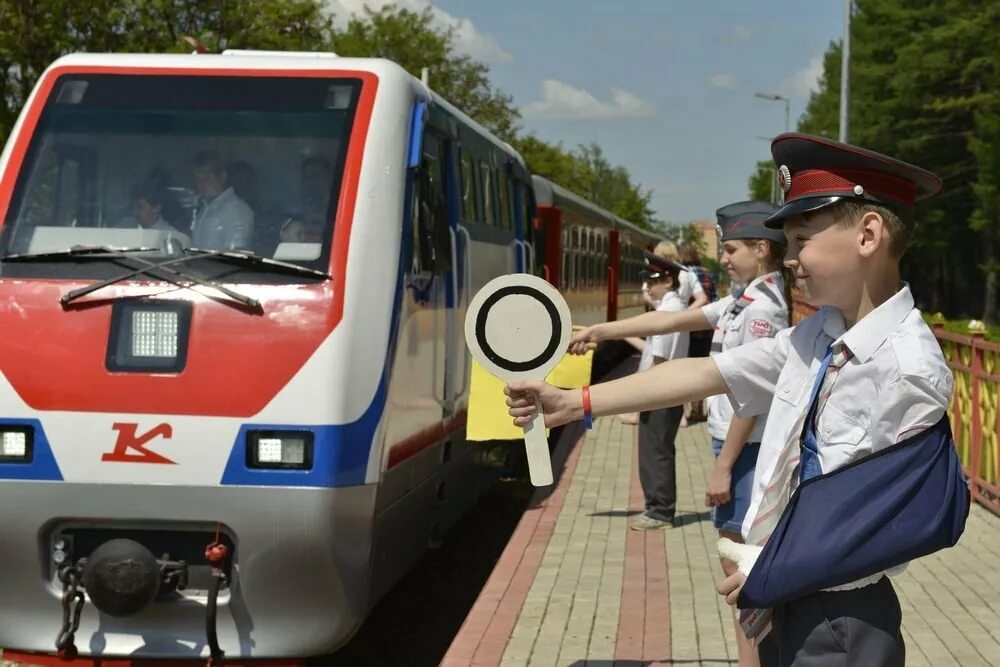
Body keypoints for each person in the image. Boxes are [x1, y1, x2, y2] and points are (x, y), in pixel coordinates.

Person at [507, 133, 953, 666]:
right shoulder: (818, 338)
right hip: (790, 590)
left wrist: (774, 563)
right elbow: (707, 371)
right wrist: (574, 401)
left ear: (868, 234)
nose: (789, 260)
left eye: (802, 238)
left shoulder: (907, 368)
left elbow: (881, 517)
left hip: (841, 615)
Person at [573, 202, 791, 666]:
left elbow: (749, 397)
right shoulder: (742, 301)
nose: (724, 259)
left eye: (731, 249)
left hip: (746, 453)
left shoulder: (762, 312)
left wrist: (723, 465)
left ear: (762, 249)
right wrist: (600, 329)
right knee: (740, 579)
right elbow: (669, 320)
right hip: (735, 448)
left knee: (744, 579)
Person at [628, 254, 690, 530]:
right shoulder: (672, 306)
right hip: (666, 392)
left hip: (660, 393)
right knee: (656, 449)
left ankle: (660, 512)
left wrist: (640, 394)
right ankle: (658, 508)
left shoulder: (667, 312)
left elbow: (660, 359)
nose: (648, 287)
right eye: (645, 280)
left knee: (655, 452)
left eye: (653, 281)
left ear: (668, 280)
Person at [680, 243, 718, 423]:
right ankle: (699, 409)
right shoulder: (707, 273)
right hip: (706, 326)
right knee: (701, 367)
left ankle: (685, 412)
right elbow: (714, 297)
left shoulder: (682, 275)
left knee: (686, 368)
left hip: (688, 327)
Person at [190, 150, 254, 251]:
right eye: (198, 179)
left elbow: (236, 254)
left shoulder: (236, 210)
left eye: (206, 178)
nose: (201, 184)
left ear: (222, 176)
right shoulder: (204, 208)